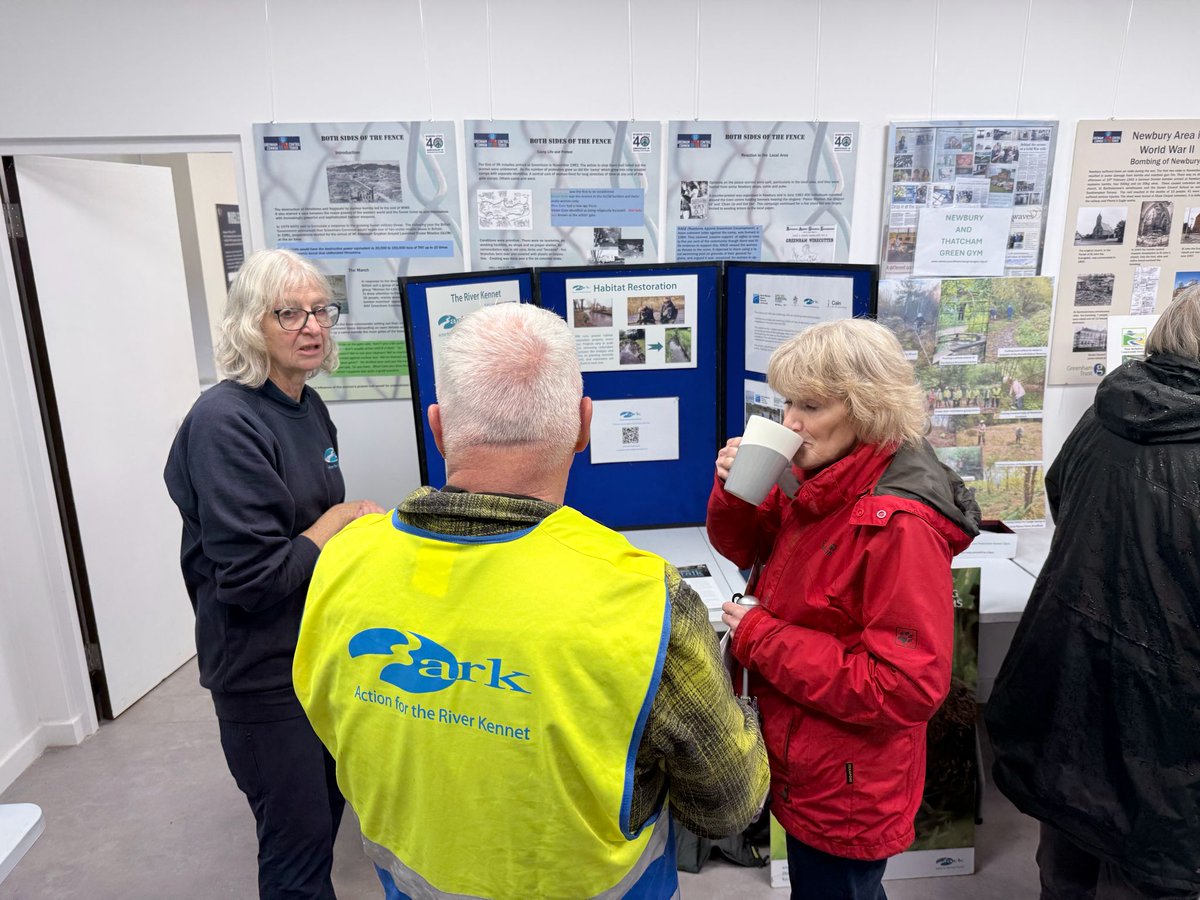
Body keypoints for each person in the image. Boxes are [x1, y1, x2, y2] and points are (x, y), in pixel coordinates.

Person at [294, 304, 769, 899]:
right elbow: (728, 802)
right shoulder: (644, 596)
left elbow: (330, 717)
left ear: (438, 428)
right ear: (583, 426)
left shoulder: (344, 559)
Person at [707, 319, 980, 899]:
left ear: (866, 407)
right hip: (808, 753)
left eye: (810, 405)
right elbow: (751, 549)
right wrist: (735, 492)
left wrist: (760, 637)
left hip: (849, 781)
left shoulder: (898, 523)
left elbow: (902, 686)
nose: (790, 423)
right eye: (786, 403)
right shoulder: (828, 476)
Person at [164, 249, 384, 899]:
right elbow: (255, 579)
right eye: (289, 313)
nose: (312, 327)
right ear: (249, 323)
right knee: (296, 847)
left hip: (314, 657)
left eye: (321, 310)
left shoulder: (306, 406)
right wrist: (338, 520)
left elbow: (305, 531)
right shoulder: (224, 422)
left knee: (323, 818)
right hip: (261, 673)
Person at [986, 286, 1200, 899]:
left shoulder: (1107, 411)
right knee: (1160, 865)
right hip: (1171, 712)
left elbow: (1061, 497)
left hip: (1075, 668)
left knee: (1073, 838)